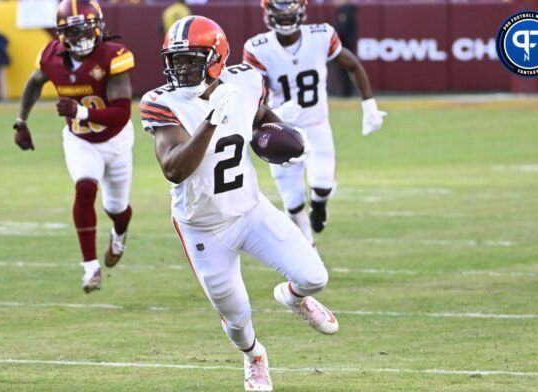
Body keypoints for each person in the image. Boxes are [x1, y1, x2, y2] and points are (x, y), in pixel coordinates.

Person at [140, 15, 338, 391]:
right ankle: (254, 357)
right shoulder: (161, 102)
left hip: (250, 209)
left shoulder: (245, 80)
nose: (180, 67)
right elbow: (173, 169)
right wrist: (212, 119)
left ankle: (293, 298)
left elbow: (261, 117)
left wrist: (289, 139)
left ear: (216, 58)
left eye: (191, 58)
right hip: (203, 227)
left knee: (315, 277)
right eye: (175, 59)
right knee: (236, 316)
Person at [13, 0, 135, 294]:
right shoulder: (51, 57)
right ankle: (90, 267)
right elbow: (33, 83)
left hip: (115, 139)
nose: (80, 38)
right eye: (73, 32)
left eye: (85, 30)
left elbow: (121, 112)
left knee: (116, 208)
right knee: (84, 188)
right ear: (61, 34)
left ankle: (119, 235)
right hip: (80, 140)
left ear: (98, 27)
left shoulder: (113, 56)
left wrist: (80, 111)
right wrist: (21, 121)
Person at [243, 0, 386, 246]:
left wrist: (369, 104)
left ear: (301, 11)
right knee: (292, 201)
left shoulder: (321, 35)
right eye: (280, 13)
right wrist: (272, 111)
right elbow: (255, 91)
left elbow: (351, 64)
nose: (286, 19)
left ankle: (320, 206)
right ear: (268, 14)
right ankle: (307, 248)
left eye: (290, 13)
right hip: (280, 126)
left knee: (322, 184)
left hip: (317, 124)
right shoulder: (258, 47)